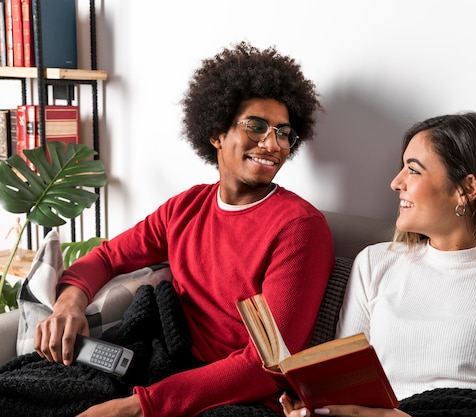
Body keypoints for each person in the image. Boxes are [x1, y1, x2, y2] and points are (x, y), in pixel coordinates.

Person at [32, 41, 335, 417]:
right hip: (162, 362)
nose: (272, 144)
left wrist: (137, 407)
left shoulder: (299, 228)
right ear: (216, 134)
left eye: (284, 133)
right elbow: (107, 258)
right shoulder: (186, 208)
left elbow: (268, 364)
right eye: (256, 126)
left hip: (238, 397)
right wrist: (68, 304)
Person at [280, 112, 476, 417]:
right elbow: (341, 390)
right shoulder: (375, 264)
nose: (396, 182)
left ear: (466, 189)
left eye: (414, 169)